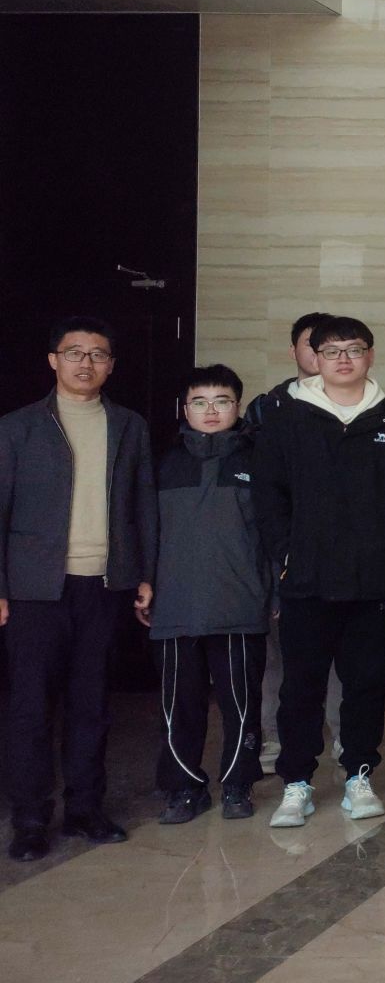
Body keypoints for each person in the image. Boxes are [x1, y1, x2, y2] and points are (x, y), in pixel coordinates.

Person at [253, 317, 385, 830]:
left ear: (370, 355)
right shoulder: (287, 420)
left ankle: (359, 774)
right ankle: (297, 782)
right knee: (302, 686)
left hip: (368, 580)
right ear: (314, 358)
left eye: (354, 349)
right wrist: (287, 553)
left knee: (366, 682)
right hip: (305, 579)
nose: (344, 359)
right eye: (332, 351)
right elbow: (268, 496)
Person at [0, 317, 156, 862]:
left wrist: (145, 574)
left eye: (97, 354)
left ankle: (86, 809)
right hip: (34, 589)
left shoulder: (129, 426)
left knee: (91, 703)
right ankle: (30, 819)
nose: (85, 363)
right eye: (74, 353)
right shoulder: (17, 427)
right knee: (30, 707)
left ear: (111, 365)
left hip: (105, 585)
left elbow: (143, 504)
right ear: (53, 360)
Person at [146, 366, 267, 826]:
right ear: (185, 408)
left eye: (222, 401)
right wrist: (144, 585)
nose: (211, 411)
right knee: (179, 706)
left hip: (239, 601)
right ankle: (183, 789)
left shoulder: (259, 460)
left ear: (238, 406)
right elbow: (144, 529)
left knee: (241, 703)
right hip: (175, 602)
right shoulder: (163, 462)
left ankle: (238, 784)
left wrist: (274, 591)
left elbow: (275, 534)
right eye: (200, 401)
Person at [243, 311, 337, 774]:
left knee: (341, 652)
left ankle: (343, 735)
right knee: (279, 651)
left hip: (338, 550)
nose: (319, 353)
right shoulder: (267, 408)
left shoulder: (361, 405)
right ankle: (273, 736)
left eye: (329, 345)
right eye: (310, 344)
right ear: (295, 351)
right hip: (282, 548)